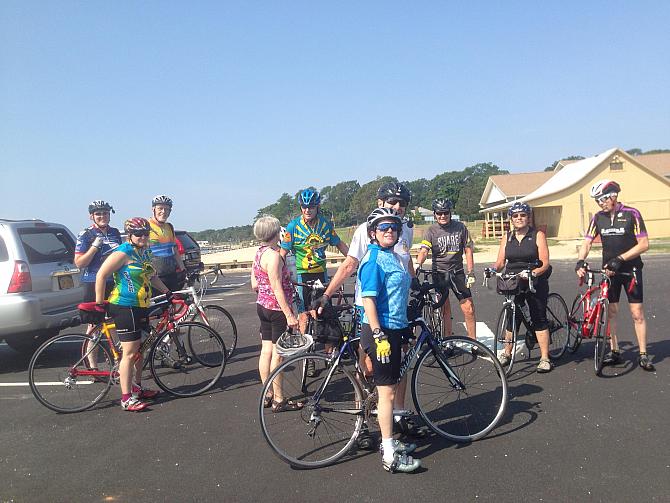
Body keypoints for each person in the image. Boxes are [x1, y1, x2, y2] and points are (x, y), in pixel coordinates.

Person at [315, 181, 424, 440]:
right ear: (380, 203)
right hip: (370, 308)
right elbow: (350, 264)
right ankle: (361, 421)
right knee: (366, 365)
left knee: (401, 364)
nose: (397, 207)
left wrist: (416, 285)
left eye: (402, 204)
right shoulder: (368, 230)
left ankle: (397, 416)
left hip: (398, 308)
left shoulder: (404, 230)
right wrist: (327, 294)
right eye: (392, 202)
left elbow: (406, 261)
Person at [358, 208, 420, 473]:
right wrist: (377, 333)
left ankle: (391, 441)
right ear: (373, 232)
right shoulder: (373, 260)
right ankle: (389, 453)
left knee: (391, 387)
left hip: (396, 326)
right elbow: (368, 299)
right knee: (388, 393)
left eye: (393, 228)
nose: (390, 232)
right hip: (380, 330)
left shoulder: (393, 256)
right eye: (384, 228)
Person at [575, 180, 654, 371]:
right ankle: (615, 351)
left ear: (613, 196)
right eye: (597, 201)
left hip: (630, 270)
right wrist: (580, 260)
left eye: (602, 199)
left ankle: (643, 354)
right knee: (611, 312)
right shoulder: (598, 218)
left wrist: (621, 258)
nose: (600, 203)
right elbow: (587, 242)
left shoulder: (631, 214)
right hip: (610, 272)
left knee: (637, 313)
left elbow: (644, 244)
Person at [95, 217, 170, 411]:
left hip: (140, 305)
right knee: (129, 354)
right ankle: (126, 397)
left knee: (141, 349)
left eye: (146, 234)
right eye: (139, 234)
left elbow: (152, 277)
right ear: (130, 235)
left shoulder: (144, 252)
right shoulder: (123, 252)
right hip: (123, 305)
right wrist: (99, 303)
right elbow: (101, 275)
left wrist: (168, 293)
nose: (143, 237)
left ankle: (137, 387)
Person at [491, 201, 554, 373]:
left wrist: (534, 273)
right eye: (516, 216)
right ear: (511, 218)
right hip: (512, 280)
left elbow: (545, 263)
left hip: (533, 279)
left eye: (523, 215)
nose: (519, 218)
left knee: (538, 316)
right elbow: (500, 262)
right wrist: (492, 269)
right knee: (512, 317)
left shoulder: (537, 235)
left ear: (528, 217)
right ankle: (507, 353)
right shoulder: (507, 236)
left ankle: (544, 358)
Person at [250, 216, 301, 411]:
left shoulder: (259, 253)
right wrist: (289, 314)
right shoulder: (274, 256)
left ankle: (267, 393)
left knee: (266, 351)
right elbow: (277, 288)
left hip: (262, 305)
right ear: (275, 233)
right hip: (276, 309)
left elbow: (254, 284)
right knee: (278, 355)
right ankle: (279, 399)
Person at [415, 198, 477, 340]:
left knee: (468, 308)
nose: (443, 216)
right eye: (439, 213)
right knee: (444, 309)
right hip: (440, 273)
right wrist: (418, 263)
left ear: (450, 212)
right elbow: (424, 250)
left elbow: (468, 250)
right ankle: (448, 340)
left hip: (457, 272)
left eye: (446, 213)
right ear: (435, 214)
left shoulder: (460, 227)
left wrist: (471, 271)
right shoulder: (431, 230)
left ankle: (474, 341)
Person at [280, 188, 349, 311]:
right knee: (304, 312)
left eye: (311, 207)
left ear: (317, 207)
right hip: (302, 274)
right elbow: (283, 253)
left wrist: (355, 262)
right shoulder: (293, 226)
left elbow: (339, 244)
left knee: (324, 309)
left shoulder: (325, 224)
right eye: (304, 206)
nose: (307, 210)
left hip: (321, 273)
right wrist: (279, 272)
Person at [75, 200, 123, 369]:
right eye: (98, 214)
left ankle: (119, 362)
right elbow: (79, 263)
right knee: (94, 327)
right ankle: (93, 366)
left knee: (115, 324)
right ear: (92, 216)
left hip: (113, 283)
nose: (102, 216)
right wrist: (94, 247)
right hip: (92, 283)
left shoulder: (115, 233)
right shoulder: (85, 234)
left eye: (105, 213)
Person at [148, 195, 187, 292]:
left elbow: (174, 250)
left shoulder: (169, 227)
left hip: (171, 274)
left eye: (167, 209)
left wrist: (183, 269)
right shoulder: (146, 226)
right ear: (153, 209)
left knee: (174, 304)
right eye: (160, 208)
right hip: (155, 278)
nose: (163, 212)